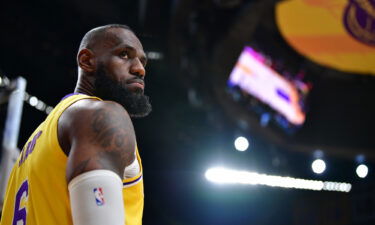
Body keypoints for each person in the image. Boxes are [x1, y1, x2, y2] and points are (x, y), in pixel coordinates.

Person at [0, 24, 151, 225]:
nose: (139, 69)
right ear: (87, 61)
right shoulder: (101, 116)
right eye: (124, 54)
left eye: (142, 61)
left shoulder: (32, 146)